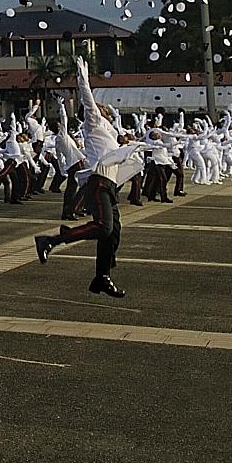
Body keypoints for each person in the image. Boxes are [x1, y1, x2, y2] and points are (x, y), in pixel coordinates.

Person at [34, 56, 143, 298]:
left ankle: (102, 277)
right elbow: (88, 100)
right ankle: (51, 240)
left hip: (110, 185)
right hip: (99, 183)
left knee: (113, 232)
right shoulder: (93, 123)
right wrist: (83, 78)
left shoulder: (109, 132)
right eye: (102, 109)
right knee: (104, 227)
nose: (104, 109)